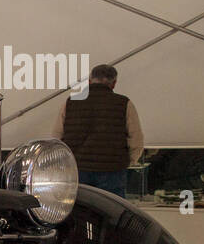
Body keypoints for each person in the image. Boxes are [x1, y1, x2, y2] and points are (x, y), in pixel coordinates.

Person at [51, 63, 143, 197]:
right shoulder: (124, 103)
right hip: (113, 168)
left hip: (77, 168)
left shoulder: (71, 102)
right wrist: (129, 161)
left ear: (89, 81)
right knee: (112, 211)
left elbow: (56, 136)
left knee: (80, 210)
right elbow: (136, 138)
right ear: (114, 83)